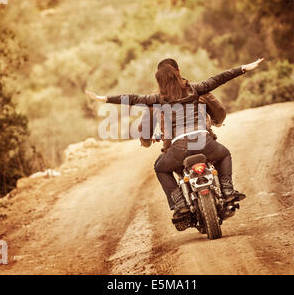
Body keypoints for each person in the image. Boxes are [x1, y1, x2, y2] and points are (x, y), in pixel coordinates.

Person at [86, 57, 264, 219]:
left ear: (159, 81)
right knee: (224, 154)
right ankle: (227, 189)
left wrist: (105, 98)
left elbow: (132, 98)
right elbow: (219, 78)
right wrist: (244, 68)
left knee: (160, 167)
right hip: (205, 142)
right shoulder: (196, 89)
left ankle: (180, 204)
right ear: (178, 72)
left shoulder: (157, 99)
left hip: (179, 147)